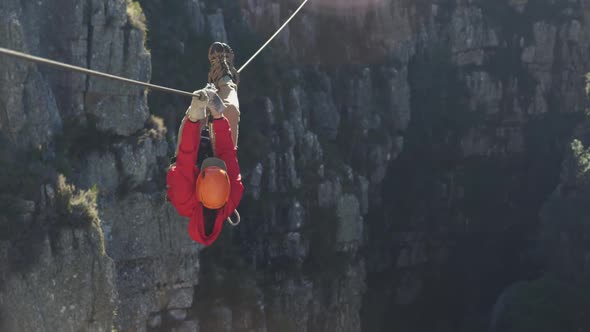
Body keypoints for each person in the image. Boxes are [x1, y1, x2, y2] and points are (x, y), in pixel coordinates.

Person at [166, 42, 244, 246]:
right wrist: (218, 116)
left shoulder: (184, 199)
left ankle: (204, 104)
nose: (211, 164)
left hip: (188, 159)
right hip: (219, 153)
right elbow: (227, 152)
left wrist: (194, 115)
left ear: (199, 181)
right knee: (231, 112)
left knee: (196, 117)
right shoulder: (232, 196)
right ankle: (225, 78)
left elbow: (186, 154)